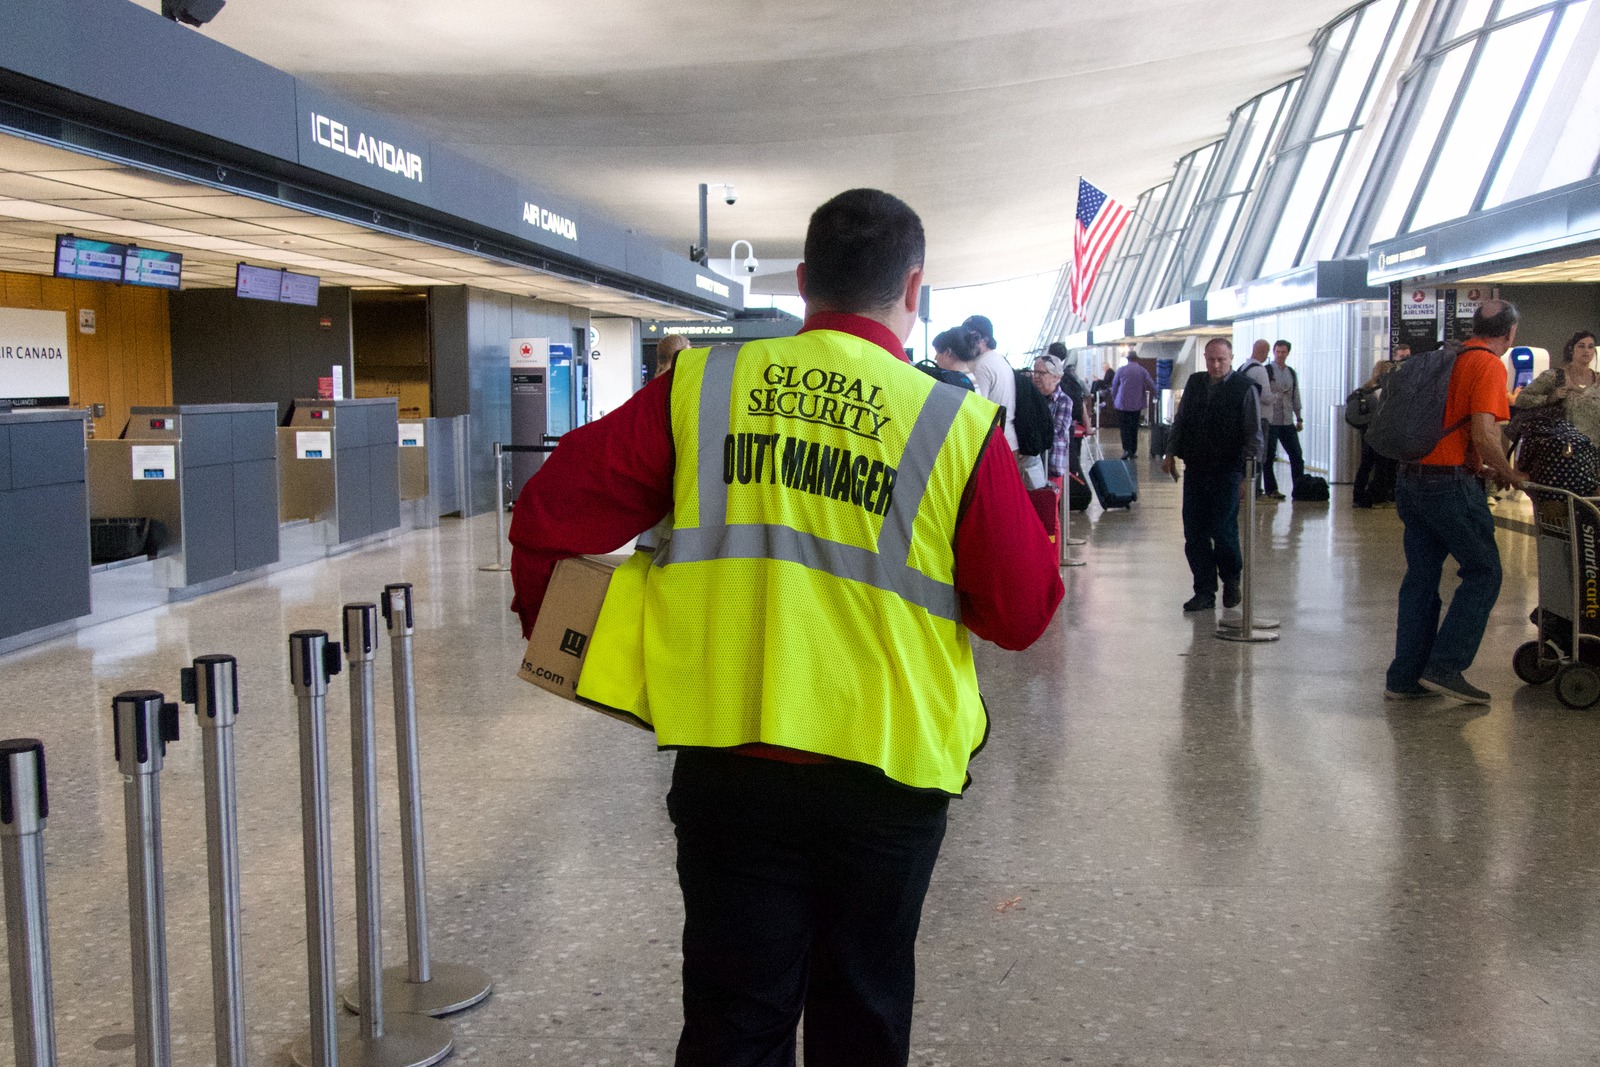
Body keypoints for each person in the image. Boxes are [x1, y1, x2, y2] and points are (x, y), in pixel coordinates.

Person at [508, 187, 1064, 1065]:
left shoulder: (704, 386)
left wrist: (600, 652)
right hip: (890, 771)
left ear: (804, 280)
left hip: (732, 761)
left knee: (735, 1022)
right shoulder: (952, 423)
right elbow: (1023, 613)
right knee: (864, 1016)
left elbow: (550, 513)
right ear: (913, 290)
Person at [1385, 300, 1526, 705]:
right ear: (1511, 332)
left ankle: (1404, 677)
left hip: (1412, 480)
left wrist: (1482, 464)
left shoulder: (1449, 359)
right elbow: (1484, 433)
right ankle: (1446, 667)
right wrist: (1510, 473)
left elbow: (1456, 430)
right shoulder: (1488, 364)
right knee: (1484, 571)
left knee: (1421, 579)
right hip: (1447, 486)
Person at [1162, 338, 1261, 613]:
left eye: (1222, 360)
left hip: (1228, 472)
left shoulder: (1244, 388)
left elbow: (1254, 435)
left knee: (1223, 528)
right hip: (1196, 469)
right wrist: (1170, 453)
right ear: (1205, 359)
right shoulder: (1195, 383)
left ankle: (1231, 577)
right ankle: (1204, 590)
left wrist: (1247, 476)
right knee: (1194, 533)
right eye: (1211, 360)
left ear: (1231, 358)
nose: (1216, 365)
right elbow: (1181, 420)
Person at [1511, 330, 1600, 443]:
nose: (1586, 350)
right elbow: (1521, 399)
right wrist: (1549, 399)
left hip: (1593, 450)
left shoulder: (1598, 381)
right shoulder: (1554, 377)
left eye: (1590, 347)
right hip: (1561, 449)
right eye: (1581, 346)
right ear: (1572, 349)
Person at [1352, 343, 1408, 507]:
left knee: (1366, 464)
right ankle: (1377, 496)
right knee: (1382, 466)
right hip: (1382, 433)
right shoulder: (1385, 390)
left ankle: (1359, 495)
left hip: (1368, 432)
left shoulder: (1366, 389)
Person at [1260, 339, 1305, 500]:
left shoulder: (1291, 372)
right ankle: (1271, 489)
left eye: (1283, 352)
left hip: (1287, 421)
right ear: (1273, 352)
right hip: (1271, 421)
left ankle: (1299, 489)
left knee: (1297, 456)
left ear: (1288, 353)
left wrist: (1299, 417)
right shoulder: (1267, 371)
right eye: (1278, 352)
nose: (1280, 355)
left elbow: (1295, 395)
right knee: (1269, 457)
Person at [1032, 354, 1076, 490]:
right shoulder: (1031, 397)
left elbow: (1057, 432)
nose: (1036, 377)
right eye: (1035, 372)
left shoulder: (1064, 401)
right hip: (1032, 465)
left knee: (1049, 507)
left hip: (1052, 464)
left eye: (1042, 373)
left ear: (1056, 377)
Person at [1049, 341, 1088, 476]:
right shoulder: (1072, 377)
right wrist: (1087, 424)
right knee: (1073, 460)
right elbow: (1082, 399)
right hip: (1072, 425)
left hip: (1057, 431)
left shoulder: (1051, 378)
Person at [1109, 350, 1156, 460]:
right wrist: (1157, 394)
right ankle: (1133, 450)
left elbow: (1114, 386)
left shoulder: (1121, 370)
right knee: (1134, 428)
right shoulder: (1142, 370)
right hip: (1136, 404)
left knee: (1124, 428)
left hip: (1122, 404)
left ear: (1128, 359)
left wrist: (1114, 398)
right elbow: (1151, 384)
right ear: (1137, 359)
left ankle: (1126, 450)